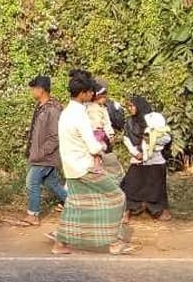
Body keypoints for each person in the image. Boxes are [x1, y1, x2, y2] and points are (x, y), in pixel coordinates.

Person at [51, 70, 133, 255]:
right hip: (85, 167)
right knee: (117, 197)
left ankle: (60, 244)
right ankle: (113, 242)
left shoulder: (66, 112)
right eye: (90, 92)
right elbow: (93, 147)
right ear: (82, 94)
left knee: (75, 204)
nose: (92, 95)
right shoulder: (80, 115)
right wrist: (104, 144)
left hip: (71, 168)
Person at [22, 75, 67, 226]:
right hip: (42, 155)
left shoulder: (53, 109)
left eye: (33, 89)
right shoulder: (42, 107)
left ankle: (33, 215)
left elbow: (55, 137)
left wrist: (40, 153)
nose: (31, 92)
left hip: (45, 156)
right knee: (53, 184)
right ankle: (75, 205)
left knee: (32, 182)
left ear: (41, 90)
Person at [121, 96, 172, 222]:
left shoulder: (154, 120)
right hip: (138, 159)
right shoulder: (130, 122)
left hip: (155, 159)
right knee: (130, 185)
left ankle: (157, 210)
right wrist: (135, 152)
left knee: (156, 186)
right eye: (128, 106)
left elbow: (166, 137)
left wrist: (152, 144)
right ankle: (127, 211)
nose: (130, 109)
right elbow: (126, 139)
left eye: (132, 106)